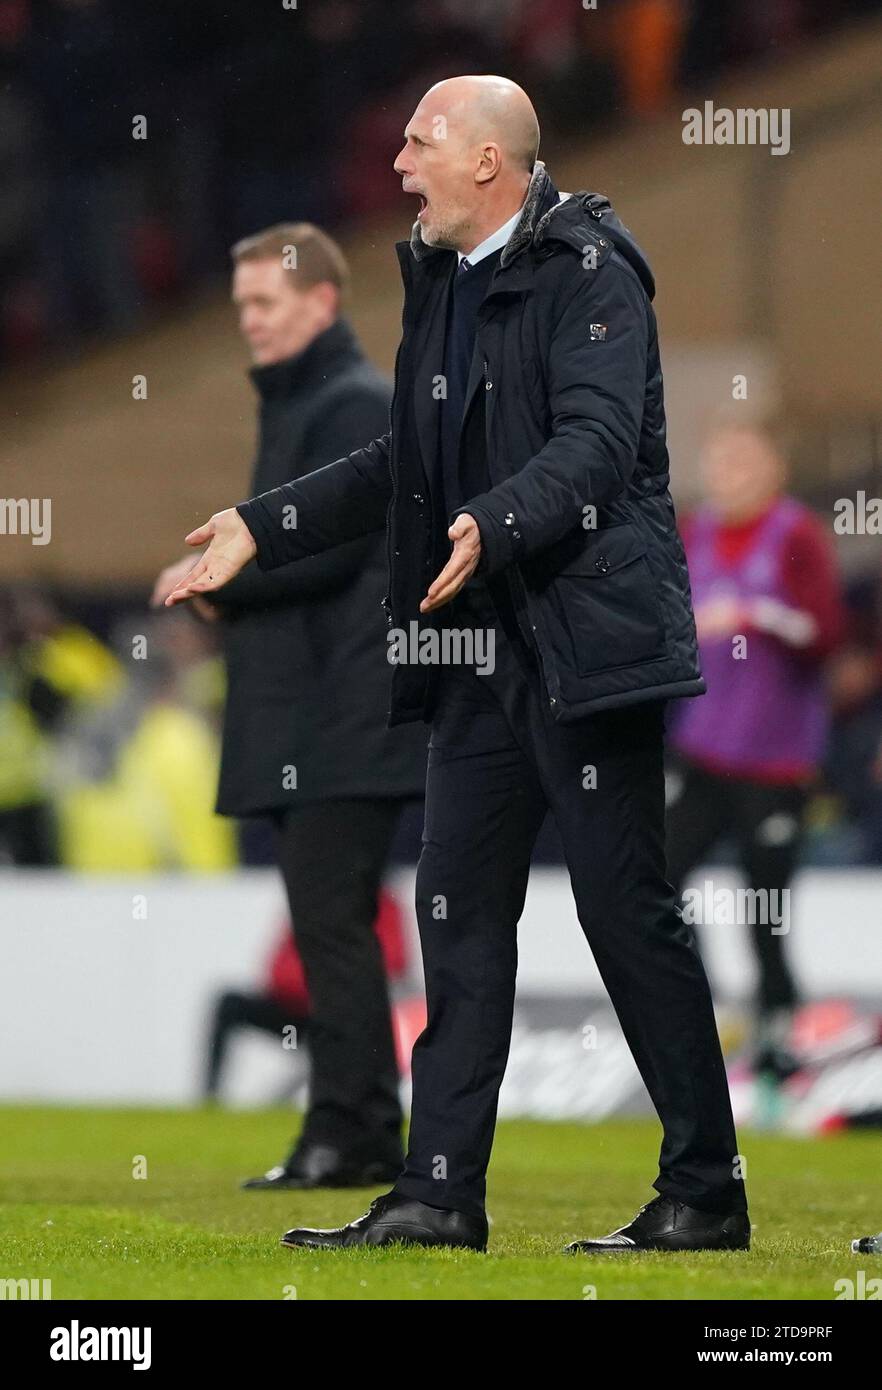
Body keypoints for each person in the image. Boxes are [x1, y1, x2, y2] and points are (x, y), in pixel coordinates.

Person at [165, 75, 750, 1254]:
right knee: (457, 913)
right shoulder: (440, 280)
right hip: (479, 649)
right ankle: (438, 1192)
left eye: (419, 143)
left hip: (590, 643)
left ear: (489, 161)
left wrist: (494, 517)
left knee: (624, 913)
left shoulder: (592, 270)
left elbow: (597, 444)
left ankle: (705, 1191)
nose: (397, 165)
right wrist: (261, 523)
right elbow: (401, 458)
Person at [153, 223, 427, 1190]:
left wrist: (215, 583)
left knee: (333, 929)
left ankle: (349, 1135)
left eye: (265, 303)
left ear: (321, 303)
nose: (251, 324)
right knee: (329, 929)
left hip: (340, 716)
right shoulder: (313, 403)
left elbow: (333, 549)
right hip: (320, 715)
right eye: (242, 308)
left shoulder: (349, 402)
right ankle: (353, 1129)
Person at [665, 421, 844, 1079]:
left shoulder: (795, 535)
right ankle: (698, 1013)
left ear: (774, 467)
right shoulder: (694, 535)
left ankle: (778, 1033)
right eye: (718, 461)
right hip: (704, 751)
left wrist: (754, 617)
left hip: (774, 760)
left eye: (741, 460)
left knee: (763, 903)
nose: (727, 474)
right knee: (657, 877)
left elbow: (824, 634)